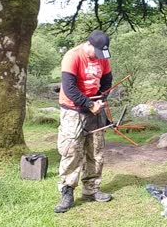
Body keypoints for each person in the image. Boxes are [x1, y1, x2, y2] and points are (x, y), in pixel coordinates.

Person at [54, 30, 113, 213]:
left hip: (94, 110)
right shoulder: (73, 57)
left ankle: (92, 189)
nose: (99, 57)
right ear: (88, 44)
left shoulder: (102, 57)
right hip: (73, 110)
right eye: (96, 52)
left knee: (96, 150)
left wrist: (101, 99)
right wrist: (88, 104)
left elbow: (107, 80)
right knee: (72, 150)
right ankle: (67, 191)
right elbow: (69, 88)